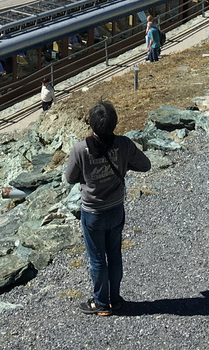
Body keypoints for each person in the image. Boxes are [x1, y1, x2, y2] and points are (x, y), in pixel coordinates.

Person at [63, 101, 152, 316]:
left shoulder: (80, 149)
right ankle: (116, 299)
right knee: (114, 255)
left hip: (92, 213)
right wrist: (122, 166)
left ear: (91, 124)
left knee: (96, 259)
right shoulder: (123, 144)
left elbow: (69, 178)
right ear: (115, 123)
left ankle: (101, 303)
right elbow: (145, 165)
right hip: (116, 209)